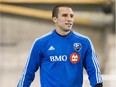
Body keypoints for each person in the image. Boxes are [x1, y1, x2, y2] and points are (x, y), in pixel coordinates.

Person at [17, 5, 103, 87]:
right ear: (55, 19)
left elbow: (94, 70)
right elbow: (28, 73)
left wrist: (98, 85)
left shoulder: (84, 42)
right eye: (65, 15)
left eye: (71, 16)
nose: (69, 19)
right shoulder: (41, 43)